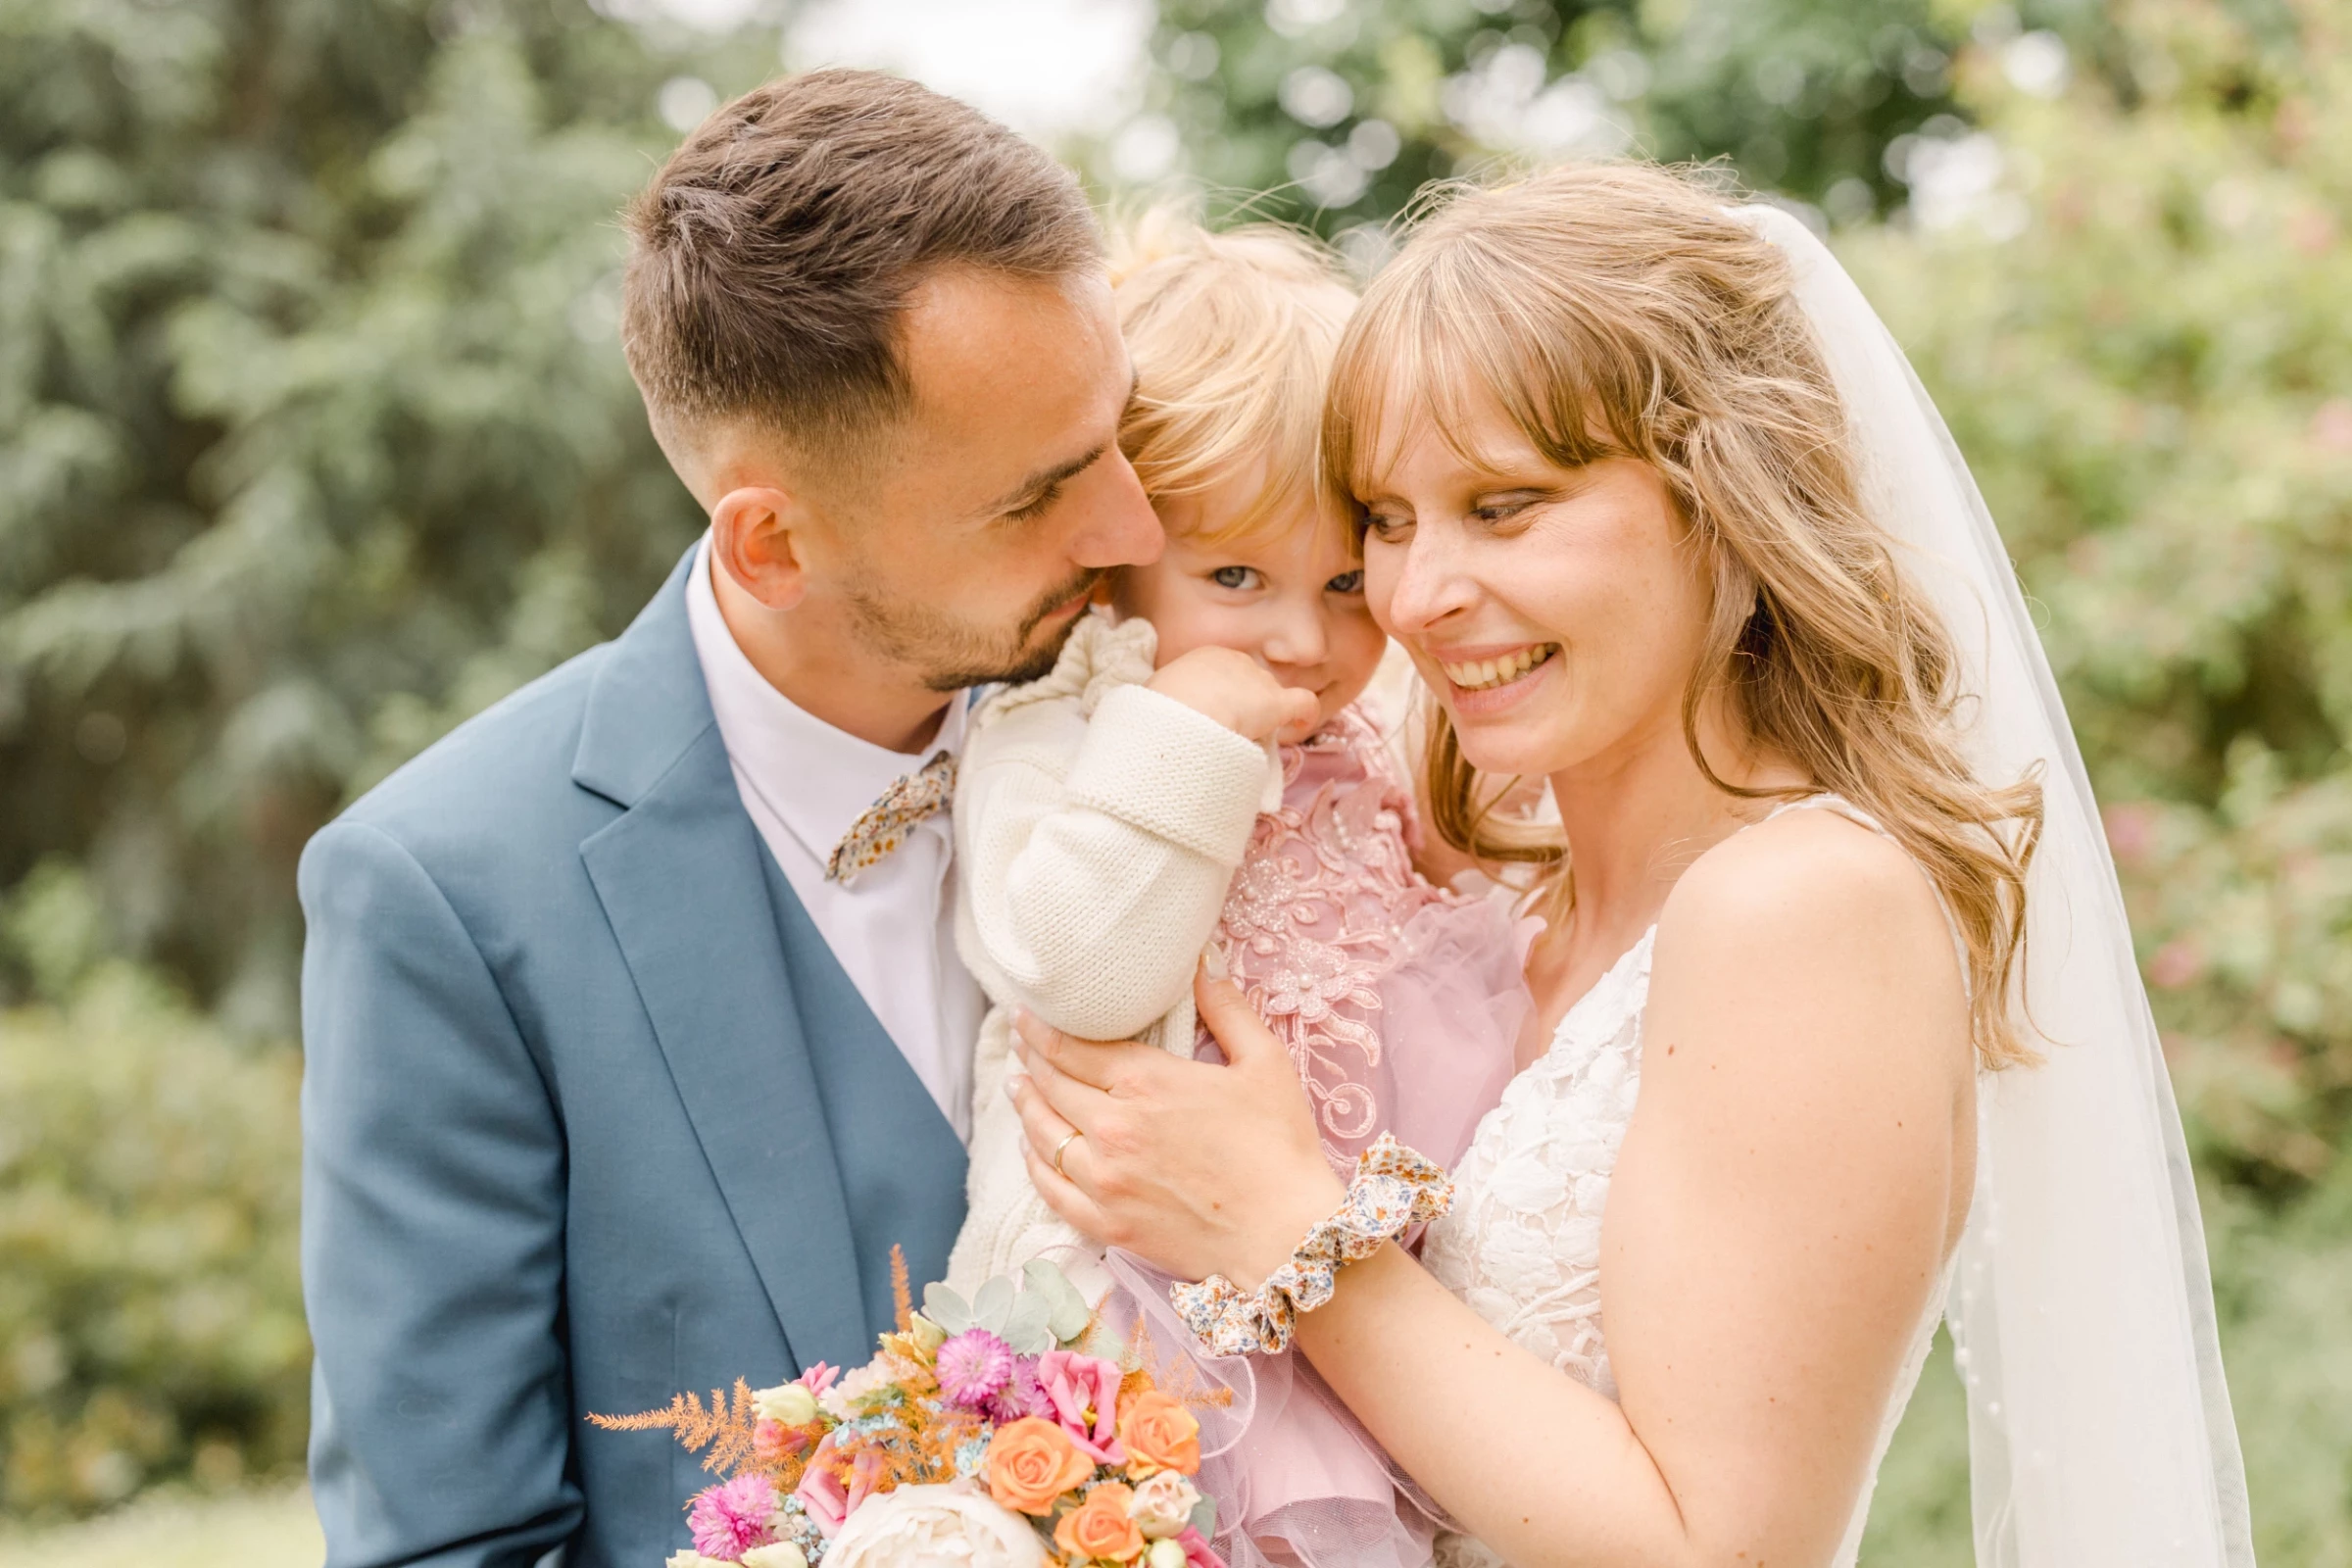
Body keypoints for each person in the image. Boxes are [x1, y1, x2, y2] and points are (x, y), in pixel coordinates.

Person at [1005, 165, 2255, 1568]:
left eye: (1505, 504)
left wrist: (1285, 1229)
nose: (1416, 599)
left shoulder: (1804, 907)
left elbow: (1722, 1551)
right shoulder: (1491, 898)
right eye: (1389, 520)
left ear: (1721, 498)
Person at [296, 71, 1162, 1568]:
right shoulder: (446, 896)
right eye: (1038, 498)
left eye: (1115, 438)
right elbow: (453, 1546)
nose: (1136, 529)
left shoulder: (1177, 730)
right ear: (771, 543)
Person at [943, 217, 1527, 1568]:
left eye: (1342, 581)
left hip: (1352, 1284)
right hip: (1129, 1300)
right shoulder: (1067, 730)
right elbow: (1078, 968)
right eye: (1234, 578)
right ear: (1121, 562)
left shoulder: (1364, 737)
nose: (1300, 639)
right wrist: (1190, 734)